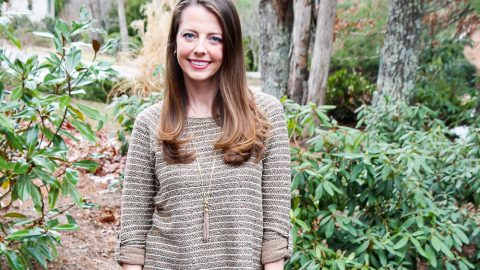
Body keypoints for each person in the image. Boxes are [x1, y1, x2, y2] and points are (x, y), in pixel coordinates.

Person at [114, 0, 292, 269]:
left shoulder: (266, 115)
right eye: (189, 35)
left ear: (230, 46)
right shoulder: (150, 124)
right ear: (174, 43)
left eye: (214, 39)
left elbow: (276, 230)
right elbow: (133, 238)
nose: (200, 49)